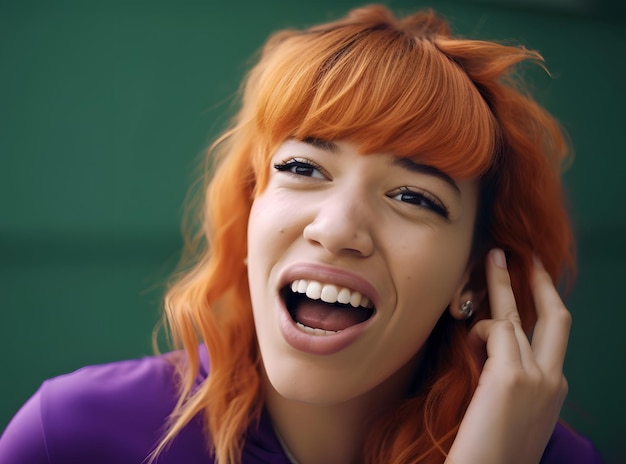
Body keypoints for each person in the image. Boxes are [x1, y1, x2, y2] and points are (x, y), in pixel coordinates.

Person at [0, 4, 603, 464]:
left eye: (413, 197)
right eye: (302, 168)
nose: (337, 229)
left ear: (473, 276)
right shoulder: (71, 437)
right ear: (252, 207)